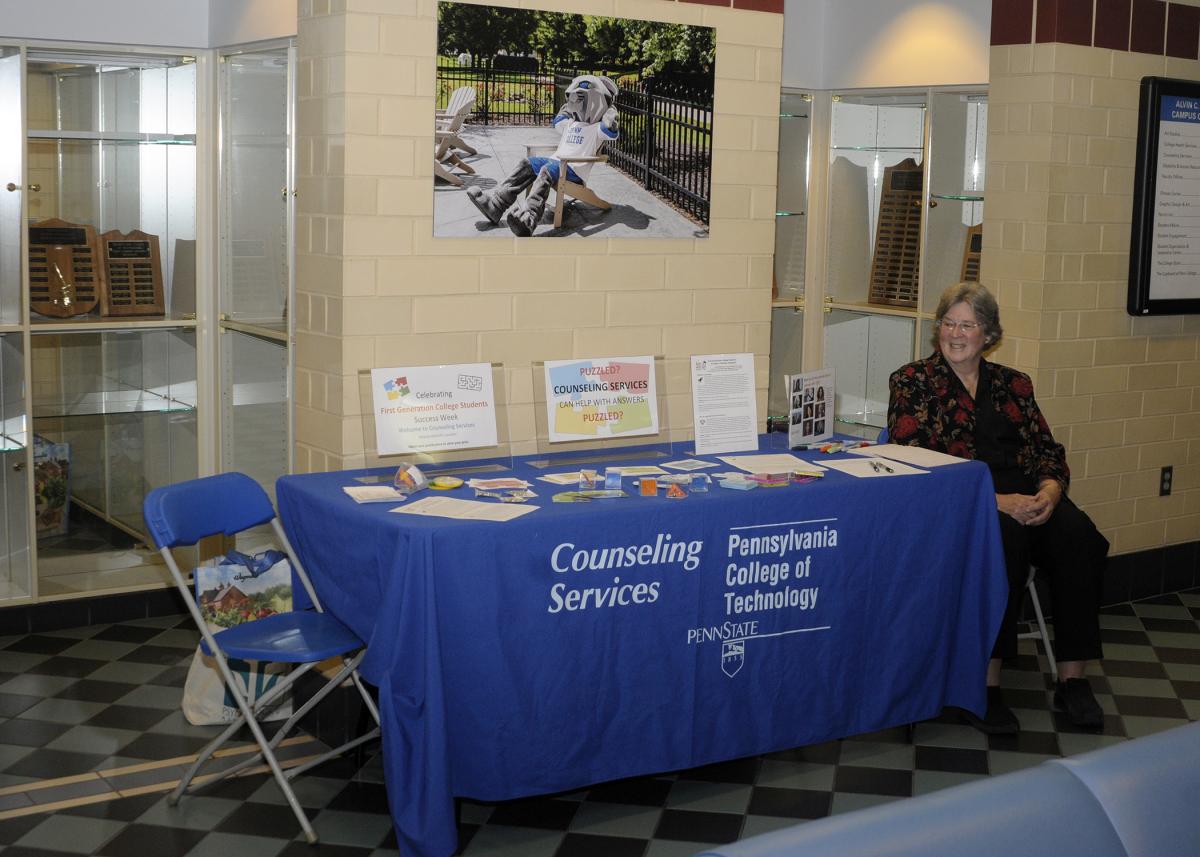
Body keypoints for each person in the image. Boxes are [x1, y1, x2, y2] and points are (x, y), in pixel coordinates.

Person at [887, 282, 1107, 734]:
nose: (956, 332)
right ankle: (985, 687)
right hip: (961, 502)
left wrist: (1048, 492)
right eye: (949, 322)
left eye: (968, 324)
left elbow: (1047, 447)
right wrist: (996, 503)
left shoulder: (1014, 384)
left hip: (1027, 494)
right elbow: (910, 460)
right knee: (1002, 545)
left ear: (988, 334)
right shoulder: (912, 382)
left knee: (1078, 537)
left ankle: (1073, 681)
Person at [466, 74, 619, 237]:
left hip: (574, 171)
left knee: (546, 169)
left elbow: (610, 131)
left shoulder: (596, 128)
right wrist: (569, 106)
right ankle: (495, 205)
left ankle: (529, 219)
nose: (576, 102)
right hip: (557, 164)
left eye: (580, 98)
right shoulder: (570, 123)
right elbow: (559, 120)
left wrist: (610, 114)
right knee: (528, 163)